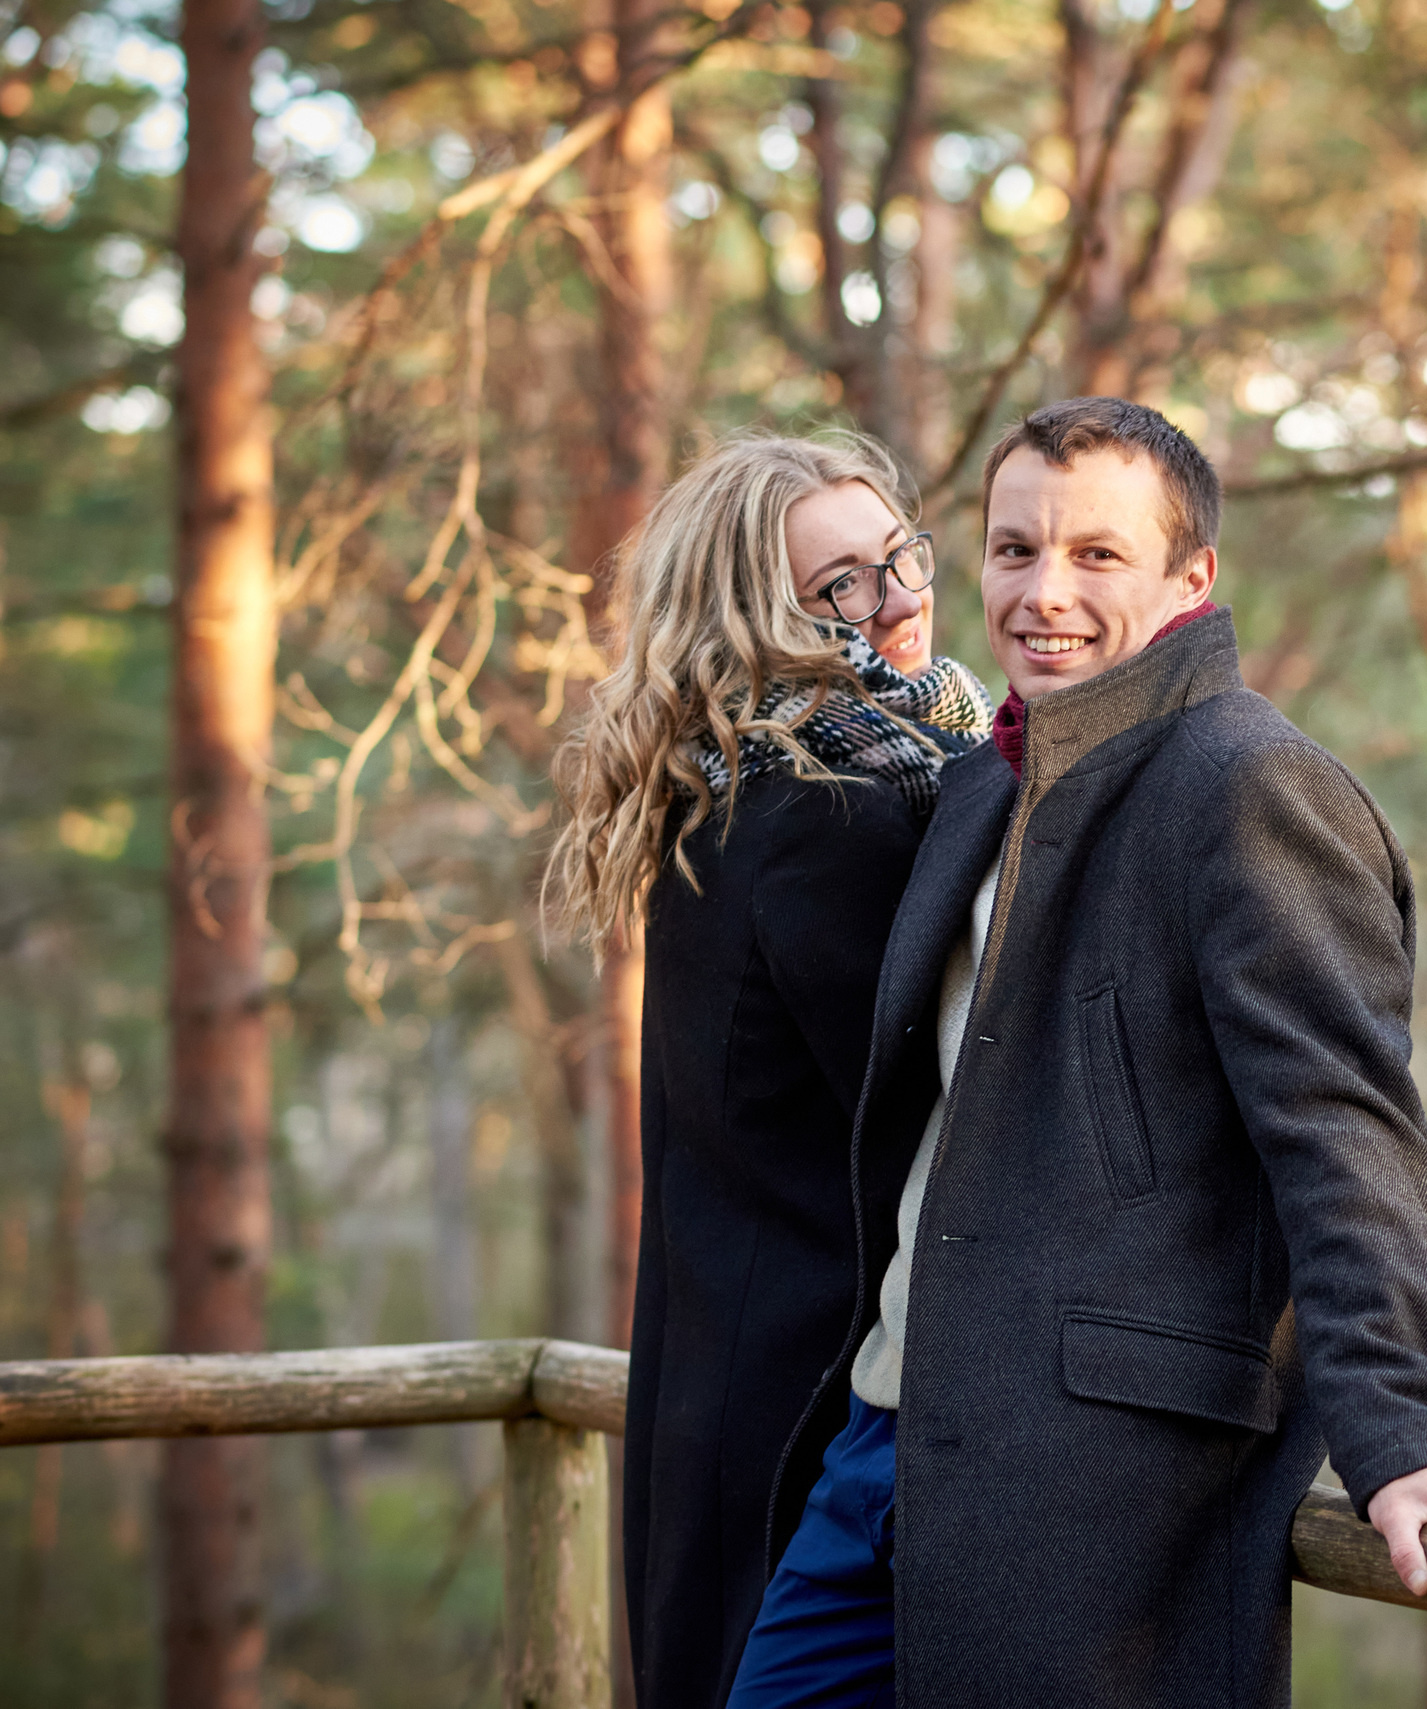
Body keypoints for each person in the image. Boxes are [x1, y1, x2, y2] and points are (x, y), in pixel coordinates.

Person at [737, 398, 1427, 1709]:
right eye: (1013, 550)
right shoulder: (983, 783)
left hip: (1095, 1493)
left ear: (1191, 577)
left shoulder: (1250, 784)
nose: (1044, 592)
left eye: (1097, 554)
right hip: (883, 1439)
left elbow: (1345, 1140)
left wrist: (1405, 1433)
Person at [544, 431, 992, 1709]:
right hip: (805, 1401)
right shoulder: (825, 813)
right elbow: (935, 1115)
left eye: (898, 554)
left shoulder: (757, 782)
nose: (898, 599)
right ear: (760, 619)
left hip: (735, 1379)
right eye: (841, 586)